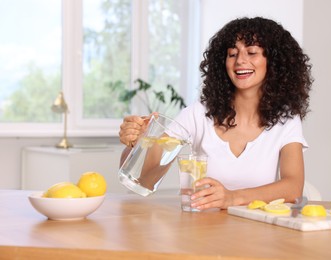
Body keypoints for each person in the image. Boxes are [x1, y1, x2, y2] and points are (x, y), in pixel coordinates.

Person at [119, 16, 313, 210]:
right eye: (232, 54)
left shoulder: (286, 120)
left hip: (259, 232)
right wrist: (142, 142)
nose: (240, 61)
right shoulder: (199, 113)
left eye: (252, 52)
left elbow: (293, 188)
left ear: (274, 61)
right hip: (202, 229)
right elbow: (143, 178)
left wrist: (231, 198)